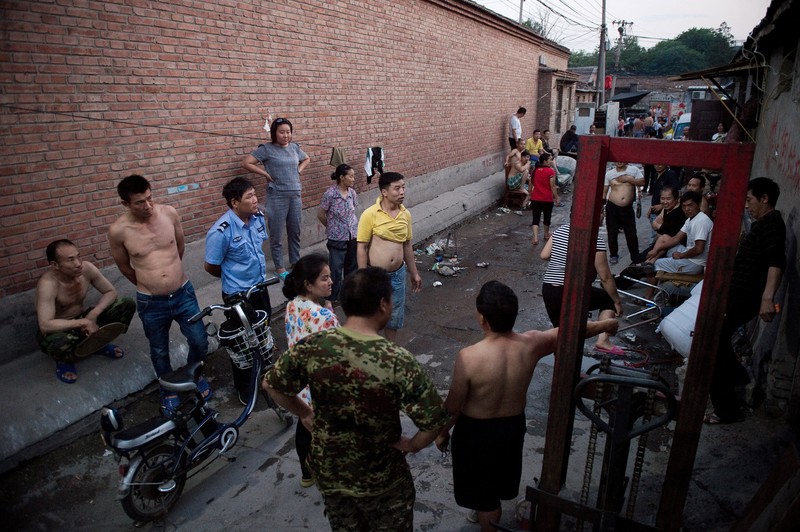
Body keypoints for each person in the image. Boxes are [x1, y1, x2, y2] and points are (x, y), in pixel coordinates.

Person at [263, 267, 450, 531]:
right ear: (383, 304)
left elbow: (271, 384)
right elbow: (434, 421)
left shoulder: (314, 346)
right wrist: (412, 445)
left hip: (333, 476)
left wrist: (304, 412)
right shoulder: (397, 360)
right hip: (384, 482)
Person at [435, 281, 618, 531]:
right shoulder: (530, 344)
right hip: (511, 427)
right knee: (496, 482)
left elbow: (453, 407)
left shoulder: (470, 357)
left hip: (476, 434)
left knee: (486, 500)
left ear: (482, 318)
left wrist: (442, 432)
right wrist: (606, 325)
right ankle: (485, 509)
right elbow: (570, 330)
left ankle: (487, 515)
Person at [108, 174, 210, 413]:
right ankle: (168, 388)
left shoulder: (169, 213)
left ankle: (193, 375)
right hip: (151, 302)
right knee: (159, 349)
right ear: (125, 204)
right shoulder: (118, 231)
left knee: (199, 340)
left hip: (183, 293)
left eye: (150, 198)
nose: (148, 206)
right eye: (140, 202)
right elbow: (124, 267)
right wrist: (150, 283)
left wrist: (171, 277)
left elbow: (179, 246)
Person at [707, 178, 785, 424]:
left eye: (750, 200)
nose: (747, 206)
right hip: (738, 294)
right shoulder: (762, 224)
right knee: (718, 342)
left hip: (746, 297)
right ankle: (737, 377)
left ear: (764, 199)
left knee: (715, 345)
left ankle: (726, 408)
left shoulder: (772, 223)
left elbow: (776, 261)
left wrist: (767, 298)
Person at [203, 177, 271, 405]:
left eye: (254, 194)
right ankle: (245, 388)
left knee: (263, 334)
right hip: (238, 296)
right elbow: (211, 266)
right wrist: (234, 282)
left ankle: (265, 376)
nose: (255, 200)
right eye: (249, 196)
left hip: (259, 288)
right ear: (234, 202)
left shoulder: (257, 218)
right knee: (242, 343)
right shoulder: (221, 231)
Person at [35, 239, 135, 383]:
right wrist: (83, 322)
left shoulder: (86, 269)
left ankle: (98, 344)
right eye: (70, 260)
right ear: (55, 265)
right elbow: (45, 325)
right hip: (62, 328)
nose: (78, 263)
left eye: (78, 256)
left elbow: (110, 292)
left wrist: (93, 315)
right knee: (58, 342)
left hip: (85, 318)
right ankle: (65, 361)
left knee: (126, 304)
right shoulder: (48, 284)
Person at [281, 253, 340, 488]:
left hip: (300, 384)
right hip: (322, 386)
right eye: (324, 278)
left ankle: (306, 474)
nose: (331, 282)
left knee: (304, 424)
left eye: (330, 277)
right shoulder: (324, 316)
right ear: (308, 284)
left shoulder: (292, 305)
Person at [356, 172, 423, 342]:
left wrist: (414, 273)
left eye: (403, 187)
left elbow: (407, 245)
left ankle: (390, 350)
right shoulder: (370, 214)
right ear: (384, 192)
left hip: (398, 275)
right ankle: (372, 348)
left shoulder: (405, 214)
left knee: (395, 313)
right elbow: (362, 248)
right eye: (397, 188)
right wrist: (363, 277)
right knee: (373, 312)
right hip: (375, 275)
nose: (402, 192)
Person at [242, 117, 311, 278]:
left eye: (288, 132)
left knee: (295, 231)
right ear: (274, 133)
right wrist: (265, 173)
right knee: (277, 233)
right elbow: (247, 162)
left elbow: (306, 158)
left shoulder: (294, 148)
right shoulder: (266, 149)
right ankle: (279, 266)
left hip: (295, 195)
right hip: (277, 196)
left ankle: (295, 260)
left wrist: (299, 170)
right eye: (282, 132)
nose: (285, 135)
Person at [541, 223, 624, 354]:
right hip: (572, 291)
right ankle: (603, 341)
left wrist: (563, 260)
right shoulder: (594, 238)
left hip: (550, 289)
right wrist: (617, 301)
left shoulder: (559, 231)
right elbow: (605, 277)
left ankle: (563, 373)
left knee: (561, 334)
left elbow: (544, 255)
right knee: (608, 299)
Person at [317, 164, 359, 303]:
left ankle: (348, 293)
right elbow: (321, 214)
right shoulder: (330, 194)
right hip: (336, 238)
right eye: (351, 176)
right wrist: (331, 227)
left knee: (352, 266)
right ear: (342, 177)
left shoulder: (352, 193)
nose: (353, 179)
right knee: (335, 269)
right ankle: (332, 297)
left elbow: (353, 212)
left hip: (352, 235)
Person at [628, 186, 687, 265]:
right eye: (663, 199)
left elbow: (660, 229)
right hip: (661, 244)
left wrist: (658, 225)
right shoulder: (668, 209)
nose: (665, 202)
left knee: (639, 261)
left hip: (670, 247)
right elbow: (656, 224)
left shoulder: (676, 213)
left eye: (668, 199)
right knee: (637, 260)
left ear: (676, 199)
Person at [603, 162, 646, 265]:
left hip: (627, 208)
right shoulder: (609, 173)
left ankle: (635, 256)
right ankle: (613, 254)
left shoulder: (633, 170)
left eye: (622, 159)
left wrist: (629, 179)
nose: (619, 162)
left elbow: (642, 182)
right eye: (617, 160)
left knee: (631, 233)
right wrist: (602, 207)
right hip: (612, 206)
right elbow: (604, 191)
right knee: (612, 232)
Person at [529, 152, 558, 245]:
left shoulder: (535, 170)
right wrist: (556, 197)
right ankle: (546, 234)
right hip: (547, 199)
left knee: (535, 218)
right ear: (545, 161)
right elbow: (552, 186)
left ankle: (535, 238)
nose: (551, 161)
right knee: (547, 217)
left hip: (536, 198)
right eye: (550, 159)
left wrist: (530, 194)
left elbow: (531, 183)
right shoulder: (550, 171)